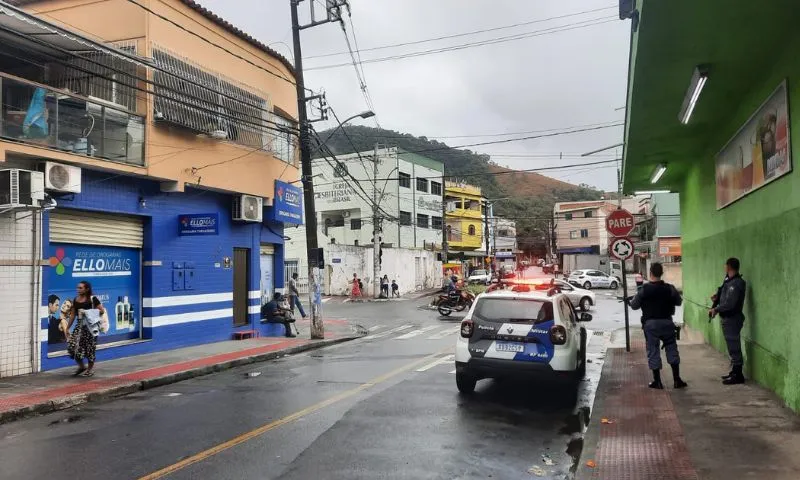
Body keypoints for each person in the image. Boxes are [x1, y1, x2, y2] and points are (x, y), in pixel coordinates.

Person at [628, 263, 687, 390]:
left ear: (650, 273)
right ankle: (677, 380)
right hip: (667, 322)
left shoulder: (644, 289)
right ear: (662, 273)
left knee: (653, 351)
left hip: (651, 324)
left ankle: (658, 381)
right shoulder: (670, 288)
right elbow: (679, 301)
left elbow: (634, 306)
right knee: (672, 349)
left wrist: (631, 301)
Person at [709, 258, 747, 385]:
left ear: (729, 266)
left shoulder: (736, 283)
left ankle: (738, 374)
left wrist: (717, 309)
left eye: (725, 265)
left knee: (734, 346)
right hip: (728, 318)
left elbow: (730, 304)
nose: (724, 267)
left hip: (732, 318)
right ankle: (735, 371)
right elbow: (726, 298)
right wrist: (717, 298)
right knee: (731, 346)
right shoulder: (728, 281)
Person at [67, 281, 104, 377]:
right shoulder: (76, 300)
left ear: (87, 289)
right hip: (79, 327)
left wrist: (87, 312)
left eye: (80, 288)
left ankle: (90, 369)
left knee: (90, 348)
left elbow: (101, 311)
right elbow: (72, 314)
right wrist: (67, 328)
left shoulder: (92, 299)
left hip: (91, 328)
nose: (78, 290)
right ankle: (82, 366)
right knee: (72, 346)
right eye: (77, 288)